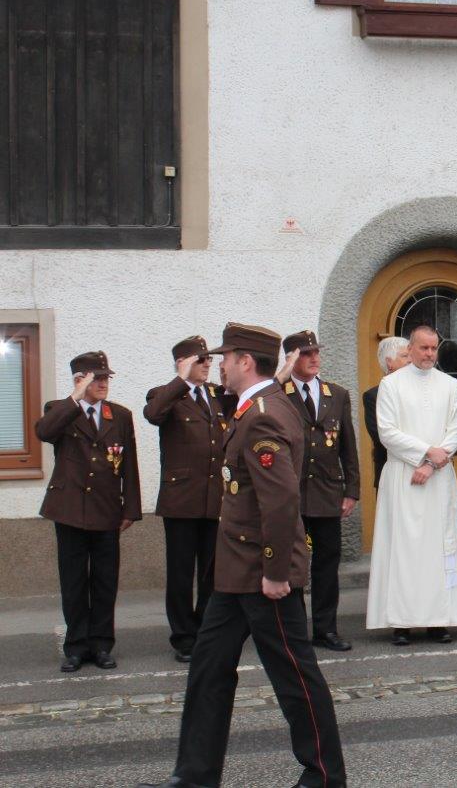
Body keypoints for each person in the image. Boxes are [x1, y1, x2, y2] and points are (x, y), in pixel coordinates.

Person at [139, 322, 345, 788]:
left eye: (226, 357)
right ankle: (195, 775)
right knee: (208, 670)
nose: (221, 366)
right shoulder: (257, 406)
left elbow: (280, 501)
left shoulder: (265, 413)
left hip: (262, 574)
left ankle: (325, 777)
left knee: (295, 676)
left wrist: (276, 572)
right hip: (235, 574)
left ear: (245, 362)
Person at [36, 350, 141, 673]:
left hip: (107, 510)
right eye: (97, 378)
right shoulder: (60, 410)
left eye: (106, 378)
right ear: (80, 380)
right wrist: (76, 396)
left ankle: (101, 644)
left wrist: (131, 508)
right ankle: (76, 647)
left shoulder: (119, 415)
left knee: (105, 581)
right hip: (69, 511)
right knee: (74, 581)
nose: (103, 383)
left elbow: (130, 465)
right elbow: (44, 432)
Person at [365, 325, 457, 646]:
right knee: (405, 549)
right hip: (403, 477)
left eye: (434, 348)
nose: (429, 354)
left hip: (437, 478)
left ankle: (439, 620)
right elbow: (387, 433)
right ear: (410, 349)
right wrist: (424, 453)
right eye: (423, 348)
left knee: (439, 548)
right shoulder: (391, 385)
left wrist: (432, 462)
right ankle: (403, 622)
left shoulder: (450, 385)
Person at [144, 336, 228, 663]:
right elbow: (153, 413)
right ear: (183, 362)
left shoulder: (214, 396)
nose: (208, 364)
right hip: (181, 501)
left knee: (211, 571)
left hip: (213, 498)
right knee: (181, 573)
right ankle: (183, 636)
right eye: (201, 360)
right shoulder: (166, 395)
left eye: (208, 360)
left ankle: (205, 628)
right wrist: (180, 379)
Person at [278, 330, 360, 652]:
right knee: (294, 563)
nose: (313, 358)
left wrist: (351, 490)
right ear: (291, 359)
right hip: (292, 495)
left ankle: (326, 628)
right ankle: (295, 630)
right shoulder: (278, 394)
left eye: (316, 352)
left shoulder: (336, 394)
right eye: (305, 354)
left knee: (327, 562)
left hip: (327, 493)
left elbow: (348, 446)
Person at [362, 336, 411, 492]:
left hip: (423, 472)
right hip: (390, 473)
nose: (410, 360)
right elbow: (381, 436)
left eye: (411, 355)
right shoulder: (373, 396)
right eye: (405, 356)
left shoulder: (422, 391)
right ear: (389, 362)